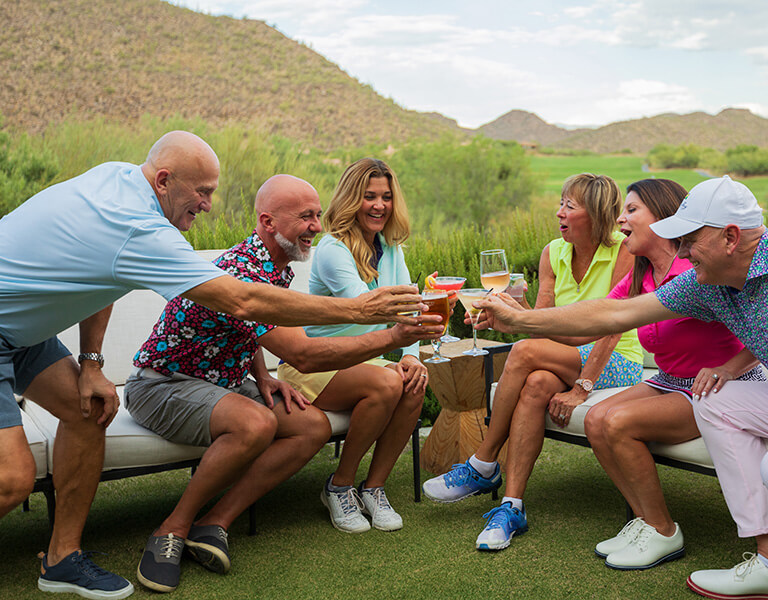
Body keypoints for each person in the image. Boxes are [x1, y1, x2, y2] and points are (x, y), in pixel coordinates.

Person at [475, 175, 768, 600]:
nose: (680, 253)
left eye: (688, 240)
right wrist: (518, 319)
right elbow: (614, 314)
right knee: (717, 400)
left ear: (729, 236)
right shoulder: (711, 282)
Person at [0, 132, 424, 600]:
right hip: (159, 379)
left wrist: (92, 363)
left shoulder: (119, 181)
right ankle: (172, 530)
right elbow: (249, 308)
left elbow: (103, 276)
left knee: (92, 410)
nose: (207, 205)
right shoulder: (149, 230)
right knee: (12, 479)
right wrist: (367, 316)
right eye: (201, 192)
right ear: (164, 181)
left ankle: (76, 556)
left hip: (29, 334)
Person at [126, 175, 443, 592]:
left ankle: (214, 522)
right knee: (256, 424)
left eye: (317, 215)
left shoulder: (275, 267)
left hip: (225, 381)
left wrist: (262, 376)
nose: (316, 225)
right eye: (305, 217)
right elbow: (305, 356)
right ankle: (172, 529)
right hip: (164, 384)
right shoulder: (243, 270)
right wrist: (395, 337)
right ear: (268, 221)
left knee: (312, 426)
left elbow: (243, 330)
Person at [422, 173, 642, 552]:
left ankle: (482, 462)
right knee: (537, 382)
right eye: (560, 202)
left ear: (597, 213)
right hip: (566, 353)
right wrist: (511, 311)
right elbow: (542, 324)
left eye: (569, 206)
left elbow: (610, 330)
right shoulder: (552, 252)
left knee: (524, 354)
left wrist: (581, 388)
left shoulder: (625, 251)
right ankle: (512, 506)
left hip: (618, 357)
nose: (559, 212)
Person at [582, 178, 763, 571]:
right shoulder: (640, 277)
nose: (620, 218)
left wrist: (729, 368)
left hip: (715, 385)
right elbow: (596, 320)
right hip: (668, 381)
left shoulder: (698, 269)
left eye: (631, 210)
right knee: (595, 420)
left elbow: (762, 326)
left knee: (618, 422)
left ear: (663, 216)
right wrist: (520, 317)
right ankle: (644, 521)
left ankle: (664, 531)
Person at [277, 158, 429, 535]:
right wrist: (413, 314)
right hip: (315, 362)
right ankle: (340, 485)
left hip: (365, 359)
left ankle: (374, 487)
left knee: (412, 384)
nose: (380, 205)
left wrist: (410, 356)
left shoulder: (392, 249)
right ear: (351, 199)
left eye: (386, 197)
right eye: (369, 196)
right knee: (387, 382)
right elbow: (368, 309)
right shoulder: (332, 249)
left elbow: (407, 311)